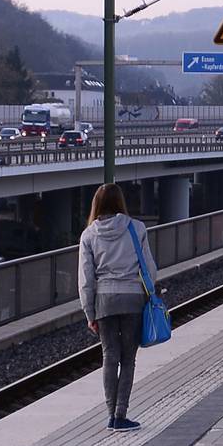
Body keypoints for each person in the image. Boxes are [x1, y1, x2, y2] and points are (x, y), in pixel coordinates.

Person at [79, 183, 162, 431]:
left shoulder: (89, 235)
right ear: (120, 203)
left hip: (104, 301)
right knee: (128, 360)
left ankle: (109, 415)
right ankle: (120, 415)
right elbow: (150, 269)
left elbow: (85, 279)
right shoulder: (136, 228)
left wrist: (89, 313)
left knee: (109, 357)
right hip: (132, 300)